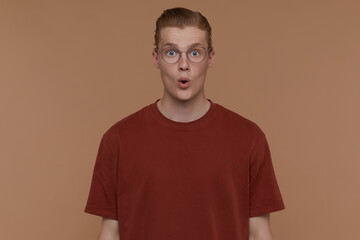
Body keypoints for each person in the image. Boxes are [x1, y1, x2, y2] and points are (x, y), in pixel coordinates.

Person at [84, 7, 285, 240]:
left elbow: (259, 233)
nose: (183, 65)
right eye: (171, 53)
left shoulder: (249, 138)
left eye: (194, 52)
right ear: (156, 58)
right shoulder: (118, 140)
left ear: (210, 58)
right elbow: (110, 232)